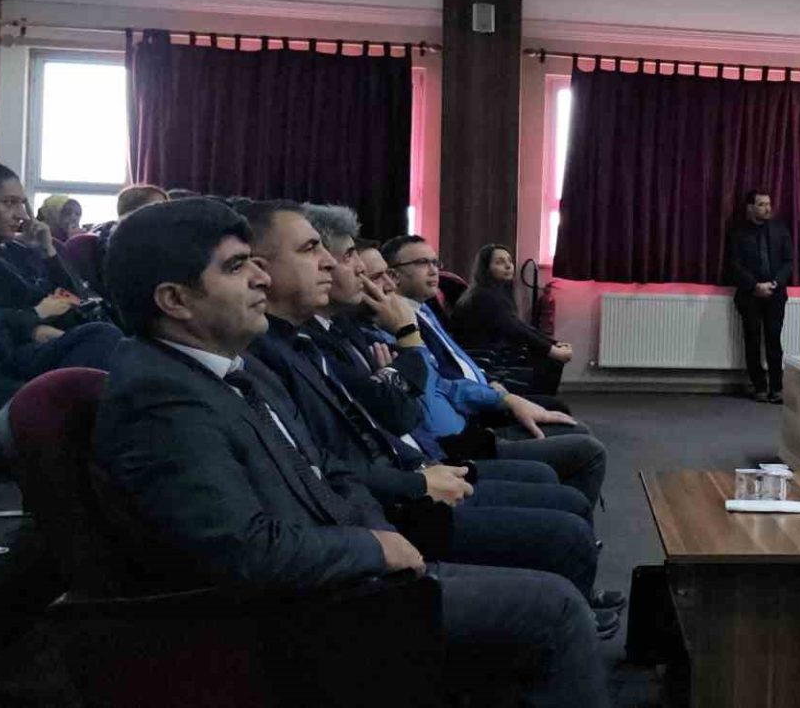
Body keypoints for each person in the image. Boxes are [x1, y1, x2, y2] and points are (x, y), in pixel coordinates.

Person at [91, 198, 609, 706]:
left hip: (347, 557)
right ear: (175, 300)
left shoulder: (230, 366)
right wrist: (375, 547)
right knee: (558, 608)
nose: (260, 278)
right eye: (236, 266)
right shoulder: (159, 399)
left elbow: (322, 465)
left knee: (551, 585)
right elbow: (247, 552)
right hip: (309, 611)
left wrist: (377, 532)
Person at [240, 201, 618, 631]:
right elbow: (380, 428)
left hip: (417, 467)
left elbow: (410, 402)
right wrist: (408, 343)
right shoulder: (324, 341)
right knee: (565, 517)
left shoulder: (338, 333)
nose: (370, 279)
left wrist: (495, 395)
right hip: (406, 485)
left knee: (565, 476)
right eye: (324, 253)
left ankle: (570, 594)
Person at [379, 235, 609, 509]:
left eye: (434, 262)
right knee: (585, 449)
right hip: (458, 437)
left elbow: (454, 366)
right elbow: (434, 394)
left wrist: (498, 391)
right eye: (421, 263)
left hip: (475, 406)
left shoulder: (424, 310)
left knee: (573, 430)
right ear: (392, 275)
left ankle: (562, 508)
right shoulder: (396, 329)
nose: (433, 270)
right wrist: (497, 394)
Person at [0, 162, 121, 379]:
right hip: (5, 357)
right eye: (9, 203)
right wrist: (34, 318)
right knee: (103, 337)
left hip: (30, 341)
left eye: (22, 204)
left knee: (114, 339)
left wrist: (47, 252)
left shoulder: (12, 251)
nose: (22, 215)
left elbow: (74, 297)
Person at [451, 244, 572, 396]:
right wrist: (552, 350)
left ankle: (541, 402)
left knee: (545, 357)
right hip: (483, 362)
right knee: (547, 360)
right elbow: (515, 329)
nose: (508, 266)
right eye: (500, 262)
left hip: (496, 353)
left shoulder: (498, 292)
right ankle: (538, 403)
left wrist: (553, 343)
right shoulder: (482, 296)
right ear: (486, 268)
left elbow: (519, 325)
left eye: (509, 261)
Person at [725, 190, 794, 404]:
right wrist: (755, 286)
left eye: (768, 204)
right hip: (750, 296)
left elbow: (788, 262)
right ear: (750, 208)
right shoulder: (738, 233)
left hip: (775, 295)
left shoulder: (780, 230)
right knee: (752, 341)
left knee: (774, 340)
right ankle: (759, 387)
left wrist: (775, 283)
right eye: (762, 204)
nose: (767, 208)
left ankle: (776, 388)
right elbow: (734, 265)